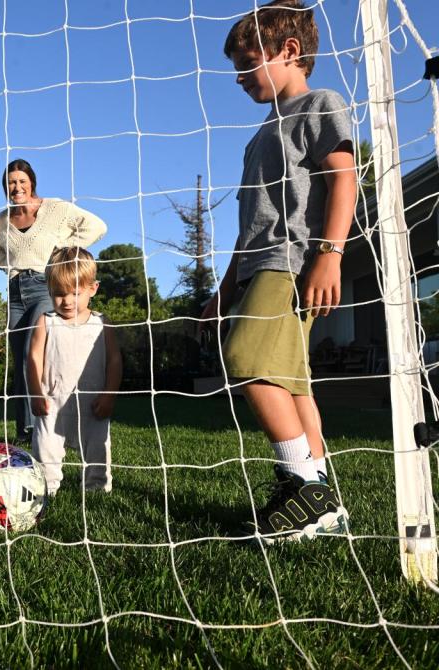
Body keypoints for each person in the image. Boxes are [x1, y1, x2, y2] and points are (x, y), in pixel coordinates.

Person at [203, 0, 355, 542]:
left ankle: (302, 484)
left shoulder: (320, 103)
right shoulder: (261, 134)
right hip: (256, 265)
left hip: (291, 262)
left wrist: (329, 253)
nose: (240, 78)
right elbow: (251, 223)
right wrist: (225, 287)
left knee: (245, 358)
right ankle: (320, 494)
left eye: (248, 65)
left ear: (289, 52)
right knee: (293, 384)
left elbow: (343, 178)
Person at [0, 159, 107, 443]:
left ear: (32, 183)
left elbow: (97, 226)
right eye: (11, 182)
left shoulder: (55, 209)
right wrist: (10, 267)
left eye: (21, 181)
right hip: (16, 291)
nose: (16, 187)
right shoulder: (2, 220)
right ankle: (24, 431)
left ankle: (47, 422)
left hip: (45, 286)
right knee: (20, 360)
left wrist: (63, 255)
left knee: (35, 349)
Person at [27, 247, 121, 496]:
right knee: (45, 451)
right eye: (59, 294)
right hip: (52, 402)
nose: (66, 301)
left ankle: (97, 490)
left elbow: (114, 360)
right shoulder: (47, 321)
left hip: (93, 402)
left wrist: (109, 395)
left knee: (98, 451)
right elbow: (33, 356)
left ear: (93, 288)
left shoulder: (102, 322)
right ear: (49, 290)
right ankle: (45, 491)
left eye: (75, 293)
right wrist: (35, 393)